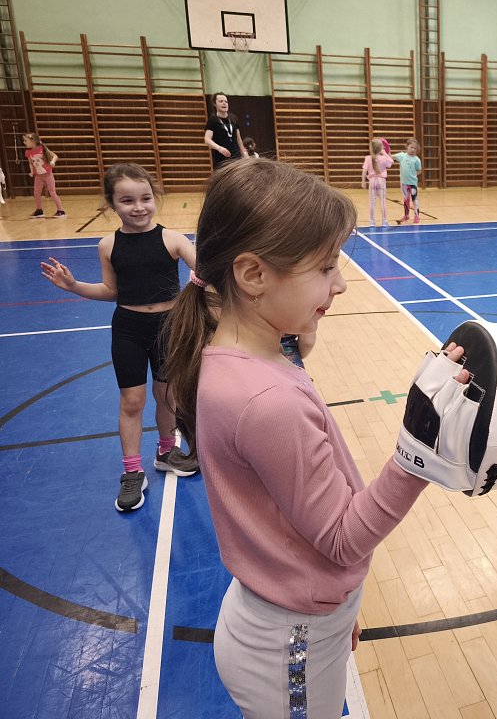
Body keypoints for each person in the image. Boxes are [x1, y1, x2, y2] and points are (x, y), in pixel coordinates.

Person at [162, 157, 469, 718]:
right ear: (253, 275)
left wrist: (332, 605)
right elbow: (341, 538)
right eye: (326, 267)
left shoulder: (245, 355)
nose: (342, 284)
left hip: (295, 622)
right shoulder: (266, 401)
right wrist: (420, 448)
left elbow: (292, 515)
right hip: (290, 647)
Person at [40, 163, 199, 512]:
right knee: (132, 401)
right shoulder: (108, 245)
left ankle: (166, 452)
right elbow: (111, 291)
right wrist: (74, 286)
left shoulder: (173, 239)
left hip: (169, 326)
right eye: (127, 201)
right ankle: (132, 471)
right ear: (112, 203)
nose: (139, 207)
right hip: (128, 328)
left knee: (167, 395)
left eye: (145, 198)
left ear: (155, 198)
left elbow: (204, 273)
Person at [23, 132, 65, 218]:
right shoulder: (28, 152)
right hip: (38, 176)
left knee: (52, 192)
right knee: (36, 193)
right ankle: (39, 210)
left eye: (26, 141)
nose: (24, 142)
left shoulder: (42, 148)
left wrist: (52, 162)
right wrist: (32, 172)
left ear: (33, 141)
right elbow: (30, 163)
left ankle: (61, 211)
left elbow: (55, 156)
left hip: (47, 174)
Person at [204, 92, 249, 169]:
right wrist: (219, 148)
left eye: (226, 101)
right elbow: (207, 139)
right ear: (215, 104)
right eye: (221, 101)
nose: (224, 103)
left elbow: (239, 139)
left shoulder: (233, 118)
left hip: (236, 157)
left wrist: (245, 154)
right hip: (221, 159)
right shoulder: (213, 120)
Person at [360, 137, 393, 228]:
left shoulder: (368, 158)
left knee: (372, 202)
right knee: (382, 201)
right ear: (381, 148)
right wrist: (385, 153)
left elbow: (364, 170)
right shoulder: (383, 158)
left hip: (372, 181)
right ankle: (384, 221)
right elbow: (391, 162)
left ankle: (371, 221)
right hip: (381, 180)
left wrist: (363, 181)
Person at [393, 137, 422, 224]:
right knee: (406, 200)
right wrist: (385, 151)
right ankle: (406, 215)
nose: (413, 149)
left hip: (413, 184)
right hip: (404, 184)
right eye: (411, 147)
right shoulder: (402, 156)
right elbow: (391, 157)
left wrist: (413, 175)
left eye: (415, 148)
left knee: (414, 199)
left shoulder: (417, 160)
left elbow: (419, 171)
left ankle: (416, 215)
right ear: (407, 146)